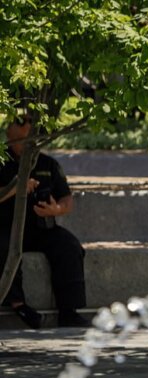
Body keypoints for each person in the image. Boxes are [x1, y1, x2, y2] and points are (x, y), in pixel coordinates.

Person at [0, 118, 88, 328]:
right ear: (8, 139)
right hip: (7, 228)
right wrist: (17, 187)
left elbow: (66, 199)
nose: (26, 144)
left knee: (69, 246)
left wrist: (56, 209)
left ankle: (69, 311)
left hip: (40, 228)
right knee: (2, 247)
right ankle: (18, 304)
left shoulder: (48, 164)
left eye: (31, 139)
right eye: (21, 140)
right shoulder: (1, 161)